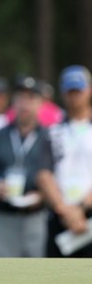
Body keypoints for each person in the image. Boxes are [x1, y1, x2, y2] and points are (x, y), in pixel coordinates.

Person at [0, 75, 52, 257]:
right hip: (2, 217)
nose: (25, 104)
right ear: (13, 102)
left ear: (40, 103)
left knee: (36, 277)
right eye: (21, 98)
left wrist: (44, 194)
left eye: (31, 98)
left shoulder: (50, 138)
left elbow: (57, 174)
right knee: (0, 277)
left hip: (36, 217)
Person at [37, 65, 92, 257]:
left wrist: (81, 209)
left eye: (79, 91)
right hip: (60, 216)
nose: (74, 96)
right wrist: (65, 210)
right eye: (70, 92)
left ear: (89, 90)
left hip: (88, 216)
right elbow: (44, 174)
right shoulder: (52, 131)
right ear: (63, 93)